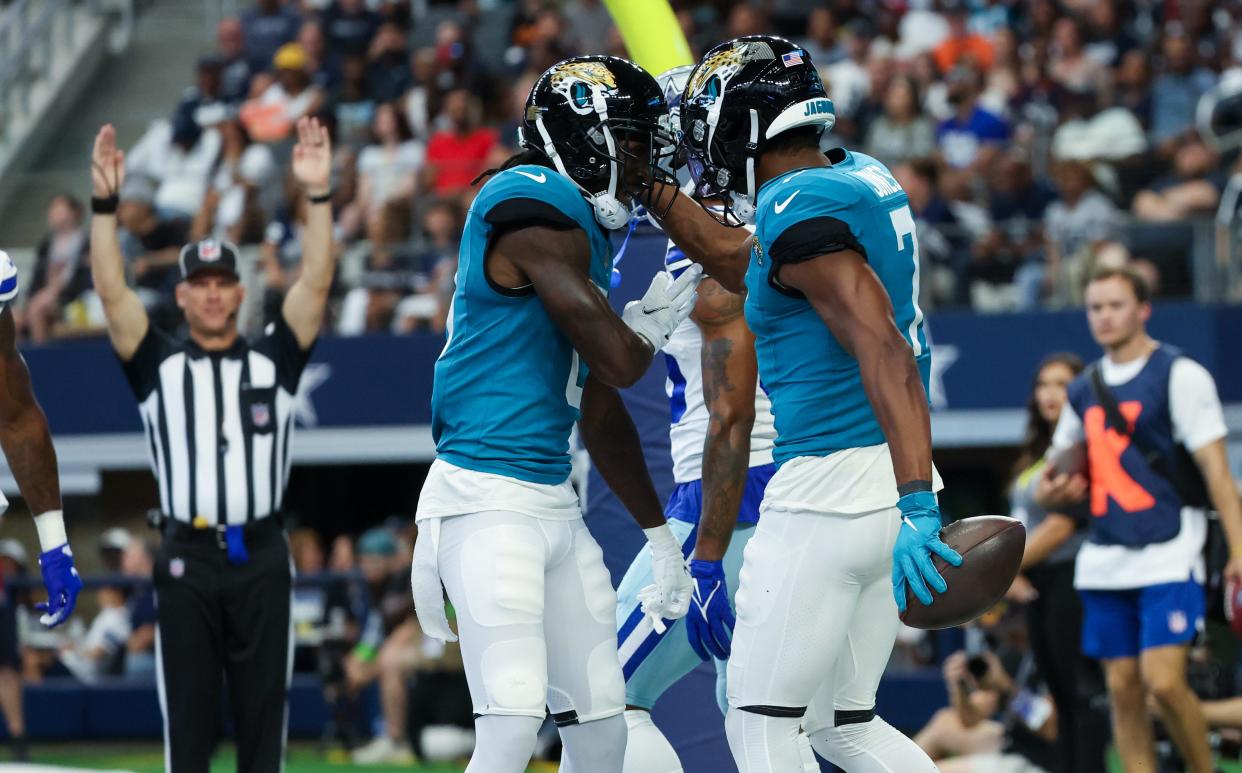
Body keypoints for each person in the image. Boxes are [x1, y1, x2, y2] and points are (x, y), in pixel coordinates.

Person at [646, 35, 960, 772]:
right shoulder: (859, 176)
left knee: (758, 727)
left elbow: (882, 347)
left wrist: (919, 500)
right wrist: (657, 194)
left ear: (743, 126)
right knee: (844, 726)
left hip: (827, 489)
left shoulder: (796, 204)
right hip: (886, 483)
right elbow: (755, 260)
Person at [410, 56, 698, 773]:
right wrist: (649, 333)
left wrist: (658, 534)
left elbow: (600, 410)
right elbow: (621, 360)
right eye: (630, 141)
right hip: (484, 499)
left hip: (551, 502)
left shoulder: (586, 232)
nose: (641, 161)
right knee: (509, 731)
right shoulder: (527, 196)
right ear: (584, 135)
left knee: (603, 732)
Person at [87, 117, 337, 773]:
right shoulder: (157, 366)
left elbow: (314, 284)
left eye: (223, 282)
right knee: (189, 727)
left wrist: (317, 196)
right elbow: (111, 291)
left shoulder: (273, 360)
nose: (213, 293)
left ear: (239, 290)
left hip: (260, 554)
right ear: (182, 295)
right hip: (186, 555)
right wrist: (105, 207)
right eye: (200, 284)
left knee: (264, 725)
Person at [613, 65, 796, 773]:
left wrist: (708, 551)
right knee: (769, 720)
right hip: (770, 486)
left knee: (605, 696)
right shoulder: (755, 215)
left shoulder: (722, 238)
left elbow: (731, 411)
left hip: (731, 490)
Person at [1039, 264, 1242, 773]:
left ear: (1143, 310)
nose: (1104, 316)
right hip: (1107, 554)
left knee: (1166, 683)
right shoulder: (1083, 388)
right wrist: (1053, 485)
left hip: (1171, 547)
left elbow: (1218, 472)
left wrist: (1239, 551)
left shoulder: (1180, 374)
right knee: (1123, 690)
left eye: (1115, 305)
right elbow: (1055, 471)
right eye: (1095, 307)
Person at [1006, 353, 1109, 772]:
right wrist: (1014, 575)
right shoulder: (1035, 453)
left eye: (1062, 384)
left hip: (1073, 579)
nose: (1052, 394)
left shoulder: (1082, 448)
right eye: (1044, 384)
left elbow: (1061, 527)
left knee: (1080, 692)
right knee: (1057, 694)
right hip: (1038, 583)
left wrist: (998, 573)